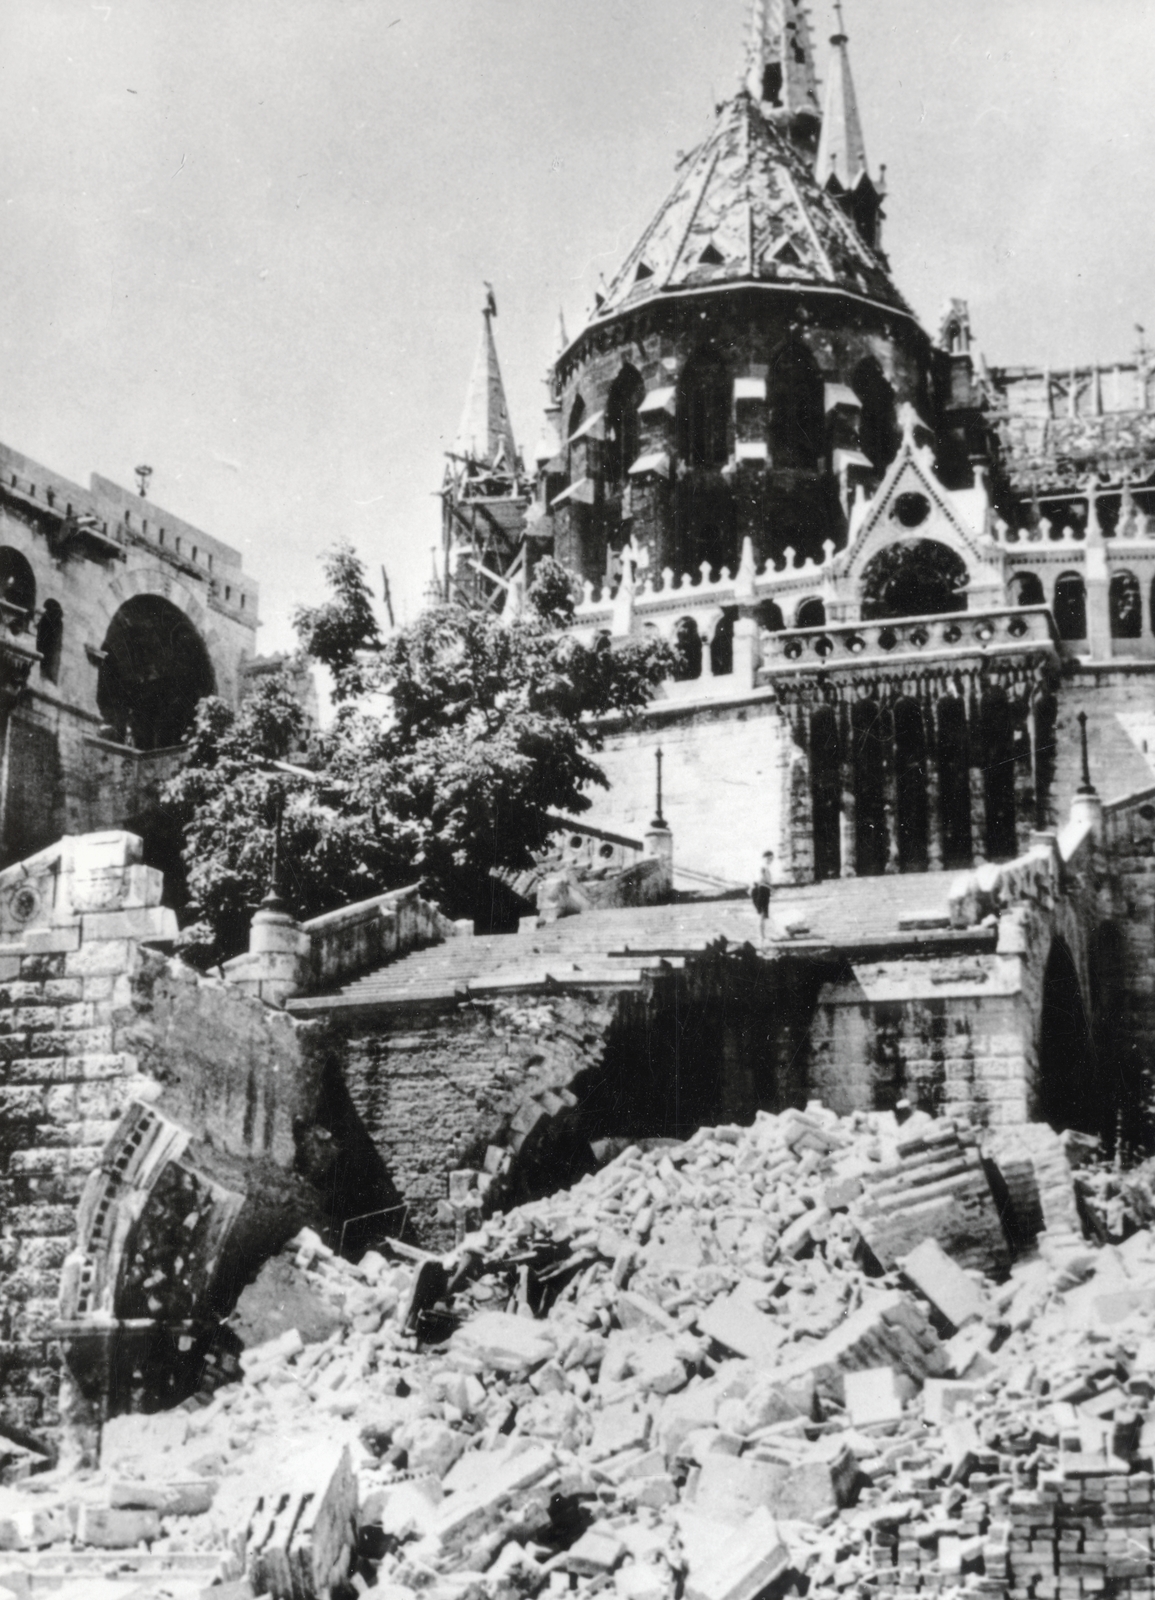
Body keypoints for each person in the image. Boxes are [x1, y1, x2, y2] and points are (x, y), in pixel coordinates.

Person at [751, 849, 775, 950]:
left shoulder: (765, 868)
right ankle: (761, 937)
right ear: (764, 858)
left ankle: (763, 936)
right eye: (768, 858)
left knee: (763, 916)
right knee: (761, 916)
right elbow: (760, 882)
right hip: (761, 891)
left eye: (771, 859)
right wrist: (771, 888)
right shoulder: (763, 868)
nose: (770, 860)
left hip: (763, 891)